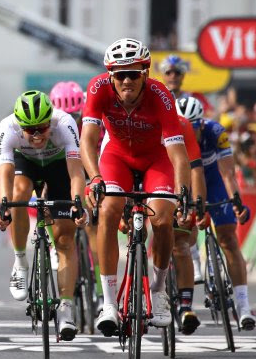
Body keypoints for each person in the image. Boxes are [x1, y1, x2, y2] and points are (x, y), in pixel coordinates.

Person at [81, 38, 191, 336]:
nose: (126, 80)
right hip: (117, 156)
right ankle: (108, 303)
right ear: (110, 76)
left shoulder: (161, 95)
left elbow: (178, 154)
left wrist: (183, 193)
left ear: (145, 73)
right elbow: (88, 141)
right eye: (120, 75)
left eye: (133, 74)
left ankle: (157, 291)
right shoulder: (97, 89)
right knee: (108, 210)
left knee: (164, 220)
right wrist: (94, 178)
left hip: (156, 159)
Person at [0, 90, 87, 341]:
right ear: (19, 125)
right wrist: (4, 206)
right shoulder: (7, 128)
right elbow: (5, 176)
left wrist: (78, 202)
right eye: (30, 130)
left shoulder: (65, 123)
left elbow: (77, 172)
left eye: (42, 129)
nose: (36, 135)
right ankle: (20, 261)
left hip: (58, 166)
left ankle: (66, 309)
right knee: (19, 193)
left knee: (65, 238)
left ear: (51, 121)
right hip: (26, 164)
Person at [178, 96, 256, 330]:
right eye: (185, 129)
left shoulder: (216, 132)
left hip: (214, 183)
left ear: (201, 124)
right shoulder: (172, 135)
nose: (189, 135)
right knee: (185, 234)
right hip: (188, 184)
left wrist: (236, 201)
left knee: (229, 239)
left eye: (192, 129)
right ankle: (193, 259)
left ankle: (243, 305)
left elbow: (228, 174)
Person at [49, 80, 104, 307]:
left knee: (93, 227)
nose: (72, 120)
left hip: (91, 173)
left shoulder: (94, 125)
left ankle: (101, 292)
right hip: (65, 174)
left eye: (76, 115)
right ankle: (57, 246)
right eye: (66, 115)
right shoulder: (52, 127)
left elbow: (103, 156)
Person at [172, 98, 208, 335]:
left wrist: (195, 209)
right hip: (152, 176)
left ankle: (185, 306)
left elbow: (195, 170)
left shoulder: (183, 126)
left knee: (181, 244)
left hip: (179, 181)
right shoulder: (143, 123)